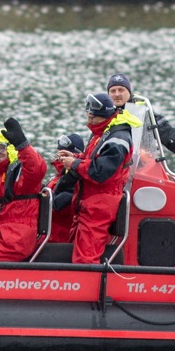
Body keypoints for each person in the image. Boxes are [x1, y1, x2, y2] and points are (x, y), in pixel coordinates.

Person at [58, 93, 139, 264]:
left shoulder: (117, 139)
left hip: (100, 203)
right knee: (80, 250)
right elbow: (95, 160)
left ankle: (87, 287)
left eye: (90, 117)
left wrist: (74, 163)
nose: (88, 121)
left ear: (100, 116)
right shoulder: (103, 132)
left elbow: (101, 172)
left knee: (86, 257)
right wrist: (77, 157)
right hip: (90, 202)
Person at [0, 118, 46, 261]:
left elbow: (37, 169)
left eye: (0, 147)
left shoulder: (22, 172)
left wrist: (22, 145)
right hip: (1, 234)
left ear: (10, 147)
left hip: (17, 237)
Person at [104, 73, 175, 171]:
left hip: (137, 169)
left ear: (129, 92)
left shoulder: (142, 112)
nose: (117, 94)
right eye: (113, 91)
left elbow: (169, 134)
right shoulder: (101, 114)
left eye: (121, 90)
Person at [46, 132, 85, 243]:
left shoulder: (76, 178)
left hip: (61, 239)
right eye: (59, 154)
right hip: (49, 236)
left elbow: (56, 205)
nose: (60, 159)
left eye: (64, 156)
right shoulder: (59, 176)